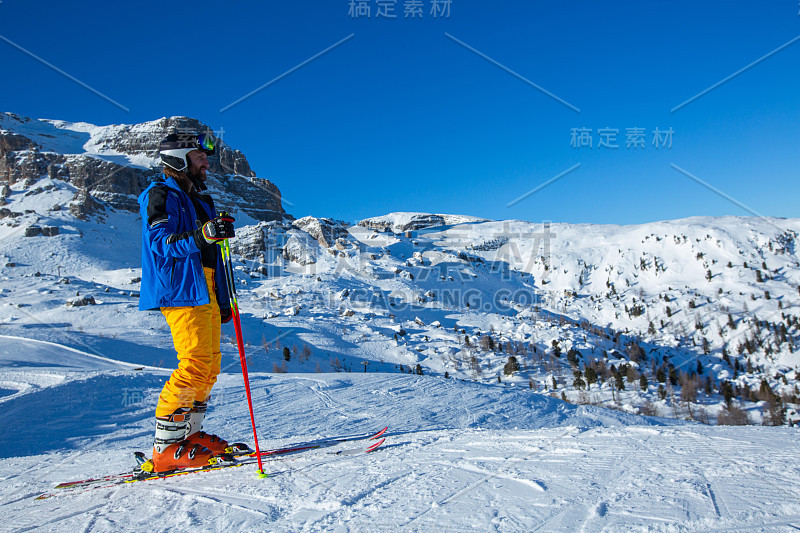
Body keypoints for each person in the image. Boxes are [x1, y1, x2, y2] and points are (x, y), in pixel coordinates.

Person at [137, 132, 238, 472]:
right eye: (199, 156)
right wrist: (203, 234)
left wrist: (223, 299)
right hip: (181, 289)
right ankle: (166, 447)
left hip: (206, 288)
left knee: (209, 365)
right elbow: (161, 244)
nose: (206, 162)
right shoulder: (159, 195)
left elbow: (213, 254)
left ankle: (187, 436)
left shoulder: (202, 200)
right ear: (180, 159)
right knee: (193, 362)